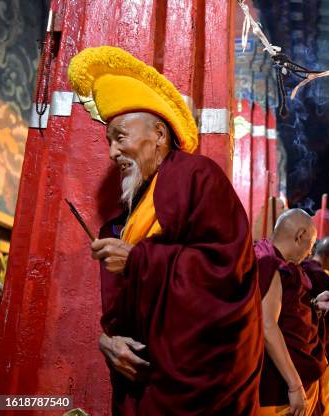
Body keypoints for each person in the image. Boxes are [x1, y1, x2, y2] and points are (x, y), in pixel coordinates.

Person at [68, 46, 263, 415]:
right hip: (141, 383)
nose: (112, 152)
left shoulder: (196, 176)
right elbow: (121, 305)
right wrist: (107, 342)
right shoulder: (128, 213)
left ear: (159, 134)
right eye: (108, 140)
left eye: (120, 137)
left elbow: (225, 272)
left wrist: (139, 259)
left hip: (198, 383)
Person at [255, 209, 329, 416]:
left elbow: (286, 311)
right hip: (280, 387)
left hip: (294, 381)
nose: (309, 253)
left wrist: (313, 304)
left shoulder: (284, 267)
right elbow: (268, 325)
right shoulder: (268, 263)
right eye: (311, 245)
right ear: (300, 235)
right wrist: (294, 385)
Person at [302, 236, 329, 416]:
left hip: (304, 346)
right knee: (324, 399)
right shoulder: (320, 277)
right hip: (322, 348)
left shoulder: (302, 270)